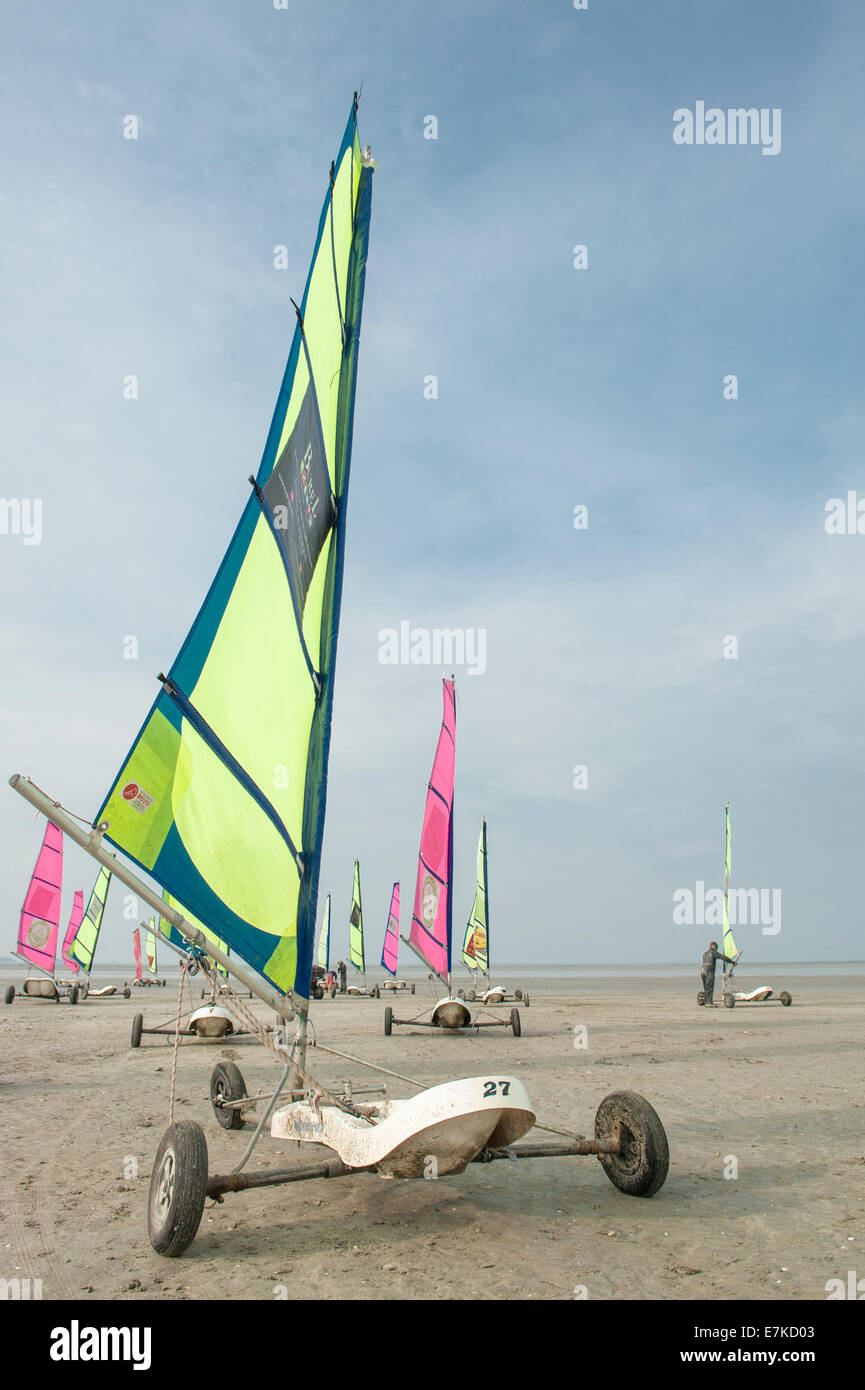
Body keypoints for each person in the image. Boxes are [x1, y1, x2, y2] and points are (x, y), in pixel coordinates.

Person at [701, 940, 736, 1006]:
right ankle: (709, 1003)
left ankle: (706, 1000)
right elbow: (723, 957)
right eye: (716, 947)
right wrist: (731, 961)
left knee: (706, 987)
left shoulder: (705, 953)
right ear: (714, 947)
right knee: (710, 987)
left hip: (702, 971)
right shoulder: (714, 953)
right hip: (709, 971)